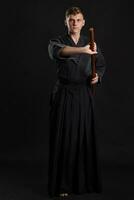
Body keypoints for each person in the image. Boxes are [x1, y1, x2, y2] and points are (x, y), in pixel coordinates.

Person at [47, 6, 106, 198]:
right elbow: (60, 52)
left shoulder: (91, 43)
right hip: (64, 94)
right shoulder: (56, 42)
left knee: (83, 138)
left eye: (78, 19)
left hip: (84, 94)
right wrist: (83, 50)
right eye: (71, 20)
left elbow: (101, 64)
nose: (74, 23)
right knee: (64, 140)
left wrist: (98, 77)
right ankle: (63, 185)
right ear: (66, 22)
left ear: (83, 22)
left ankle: (84, 183)